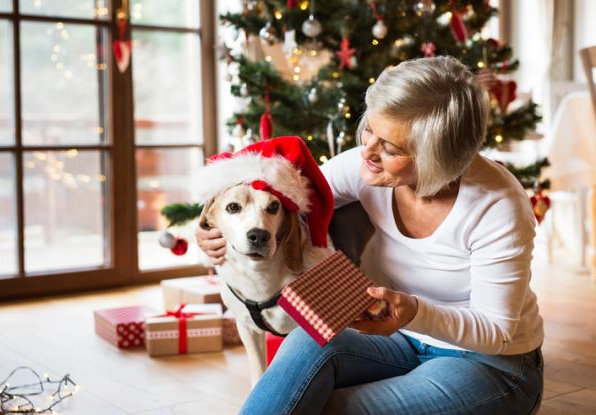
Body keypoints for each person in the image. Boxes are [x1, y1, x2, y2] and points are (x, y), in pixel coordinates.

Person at [196, 56, 544, 415]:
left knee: (323, 408)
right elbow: (276, 195)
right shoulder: (363, 168)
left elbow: (496, 330)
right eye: (369, 131)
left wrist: (415, 312)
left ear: (437, 157)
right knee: (302, 349)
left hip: (487, 361)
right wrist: (208, 226)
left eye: (391, 149)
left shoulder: (498, 206)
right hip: (394, 338)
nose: (369, 152)